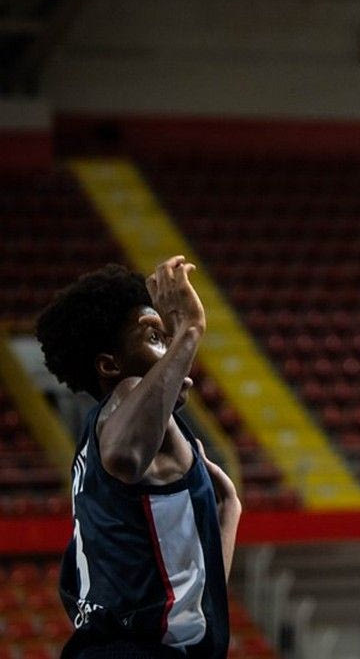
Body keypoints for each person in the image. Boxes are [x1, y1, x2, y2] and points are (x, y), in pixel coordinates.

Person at [35, 256, 240, 658]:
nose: (173, 349)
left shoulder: (94, 448)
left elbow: (193, 590)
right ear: (110, 365)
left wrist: (228, 513)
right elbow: (124, 455)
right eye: (155, 337)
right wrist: (190, 328)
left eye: (170, 337)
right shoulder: (127, 394)